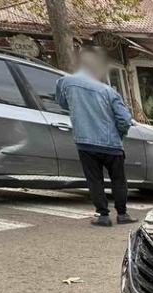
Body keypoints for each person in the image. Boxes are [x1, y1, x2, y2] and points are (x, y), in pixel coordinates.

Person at [56, 48, 137, 227]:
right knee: (118, 179)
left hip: (85, 142)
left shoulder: (66, 83)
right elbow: (124, 119)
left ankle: (103, 215)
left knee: (94, 180)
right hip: (112, 144)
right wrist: (120, 134)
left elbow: (63, 103)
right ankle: (122, 214)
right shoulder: (108, 91)